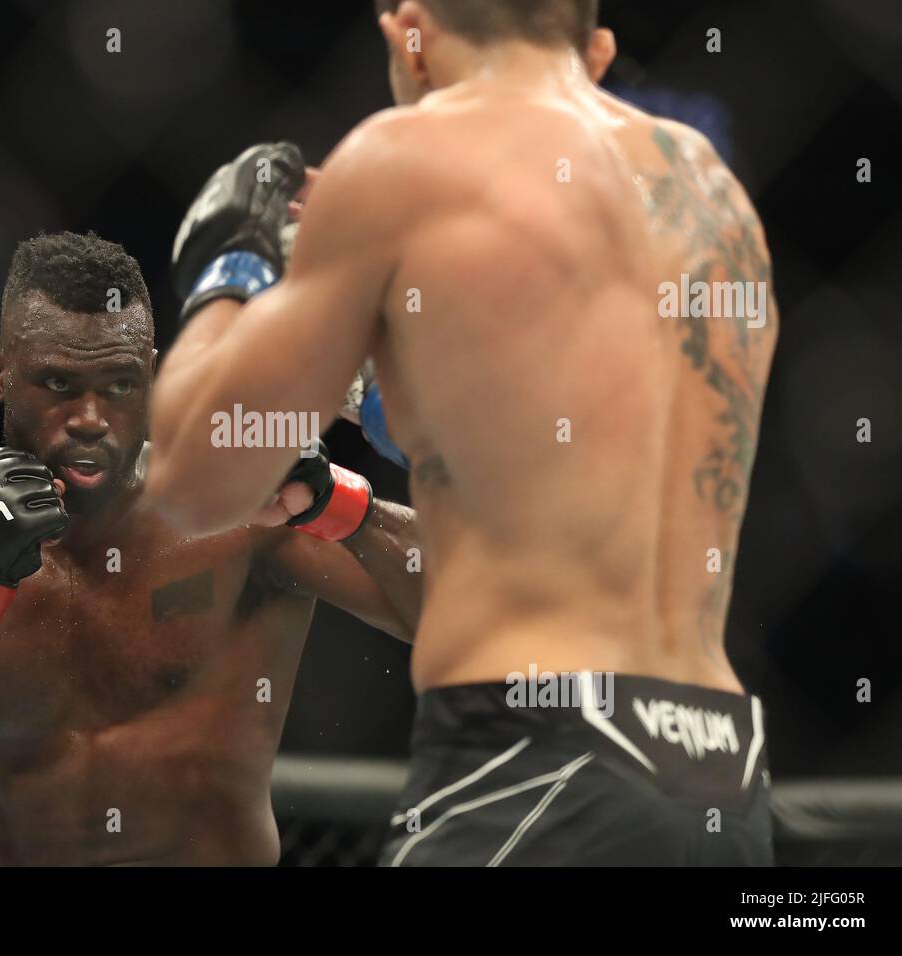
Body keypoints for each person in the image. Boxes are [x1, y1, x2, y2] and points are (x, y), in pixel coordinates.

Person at [145, 0, 778, 865]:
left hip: (530, 756)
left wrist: (232, 262)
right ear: (595, 49)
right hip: (717, 765)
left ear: (405, 28)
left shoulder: (401, 161)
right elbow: (573, 470)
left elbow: (191, 475)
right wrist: (387, 369)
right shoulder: (713, 198)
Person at [0, 230, 420, 865]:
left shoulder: (240, 516)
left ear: (154, 375)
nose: (88, 418)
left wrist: (338, 504)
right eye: (57, 384)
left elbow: (482, 615)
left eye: (118, 386)